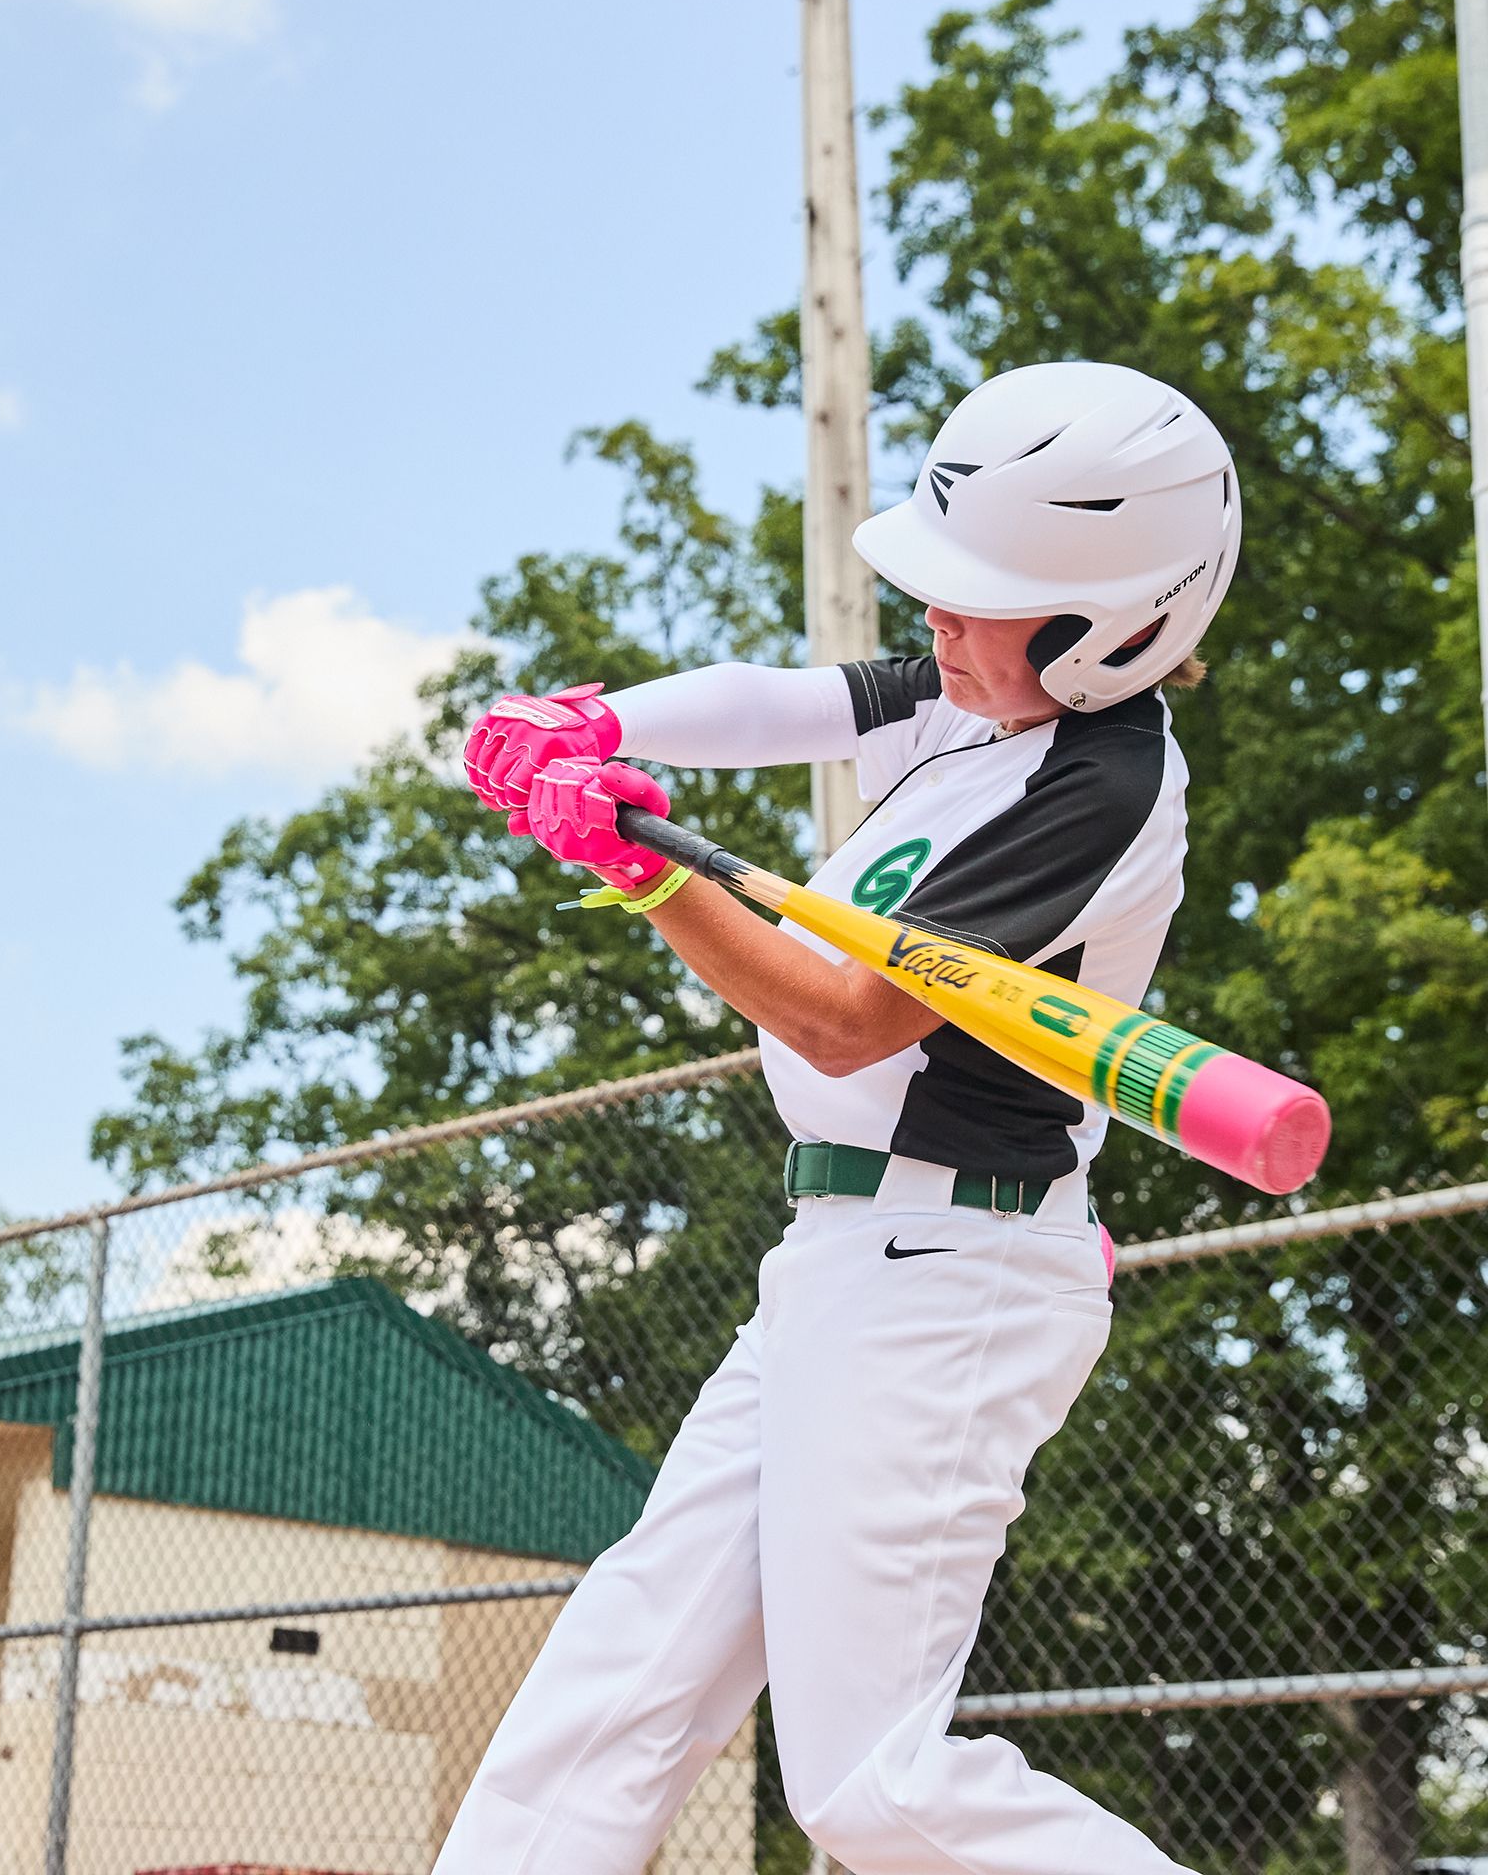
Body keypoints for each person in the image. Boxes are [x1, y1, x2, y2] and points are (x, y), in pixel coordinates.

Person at [434, 360, 1240, 1875]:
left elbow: (846, 1013)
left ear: (1123, 620)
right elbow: (790, 701)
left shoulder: (1102, 782)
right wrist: (590, 723)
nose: (936, 620)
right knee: (628, 1668)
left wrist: (649, 871)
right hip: (842, 1251)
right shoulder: (966, 701)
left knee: (872, 1784)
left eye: (981, 596)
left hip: (957, 1269)